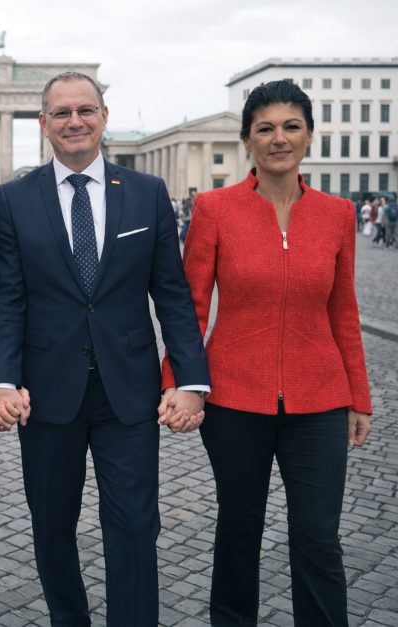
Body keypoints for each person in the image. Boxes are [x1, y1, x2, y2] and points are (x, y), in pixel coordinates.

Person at [0, 72, 210, 627]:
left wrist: (190, 380)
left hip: (127, 390)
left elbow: (173, 295)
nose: (75, 121)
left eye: (85, 110)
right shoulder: (13, 198)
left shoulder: (147, 193)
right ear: (43, 124)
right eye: (61, 113)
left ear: (104, 117)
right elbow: (7, 297)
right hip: (47, 389)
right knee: (52, 526)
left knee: (134, 524)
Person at [161, 80, 372, 626]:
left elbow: (343, 310)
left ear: (308, 137)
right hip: (234, 398)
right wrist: (178, 381)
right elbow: (189, 307)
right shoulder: (214, 209)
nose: (279, 138)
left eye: (291, 126)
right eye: (265, 129)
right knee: (238, 529)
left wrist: (359, 397)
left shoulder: (338, 214)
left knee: (318, 535)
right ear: (248, 142)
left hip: (321, 398)